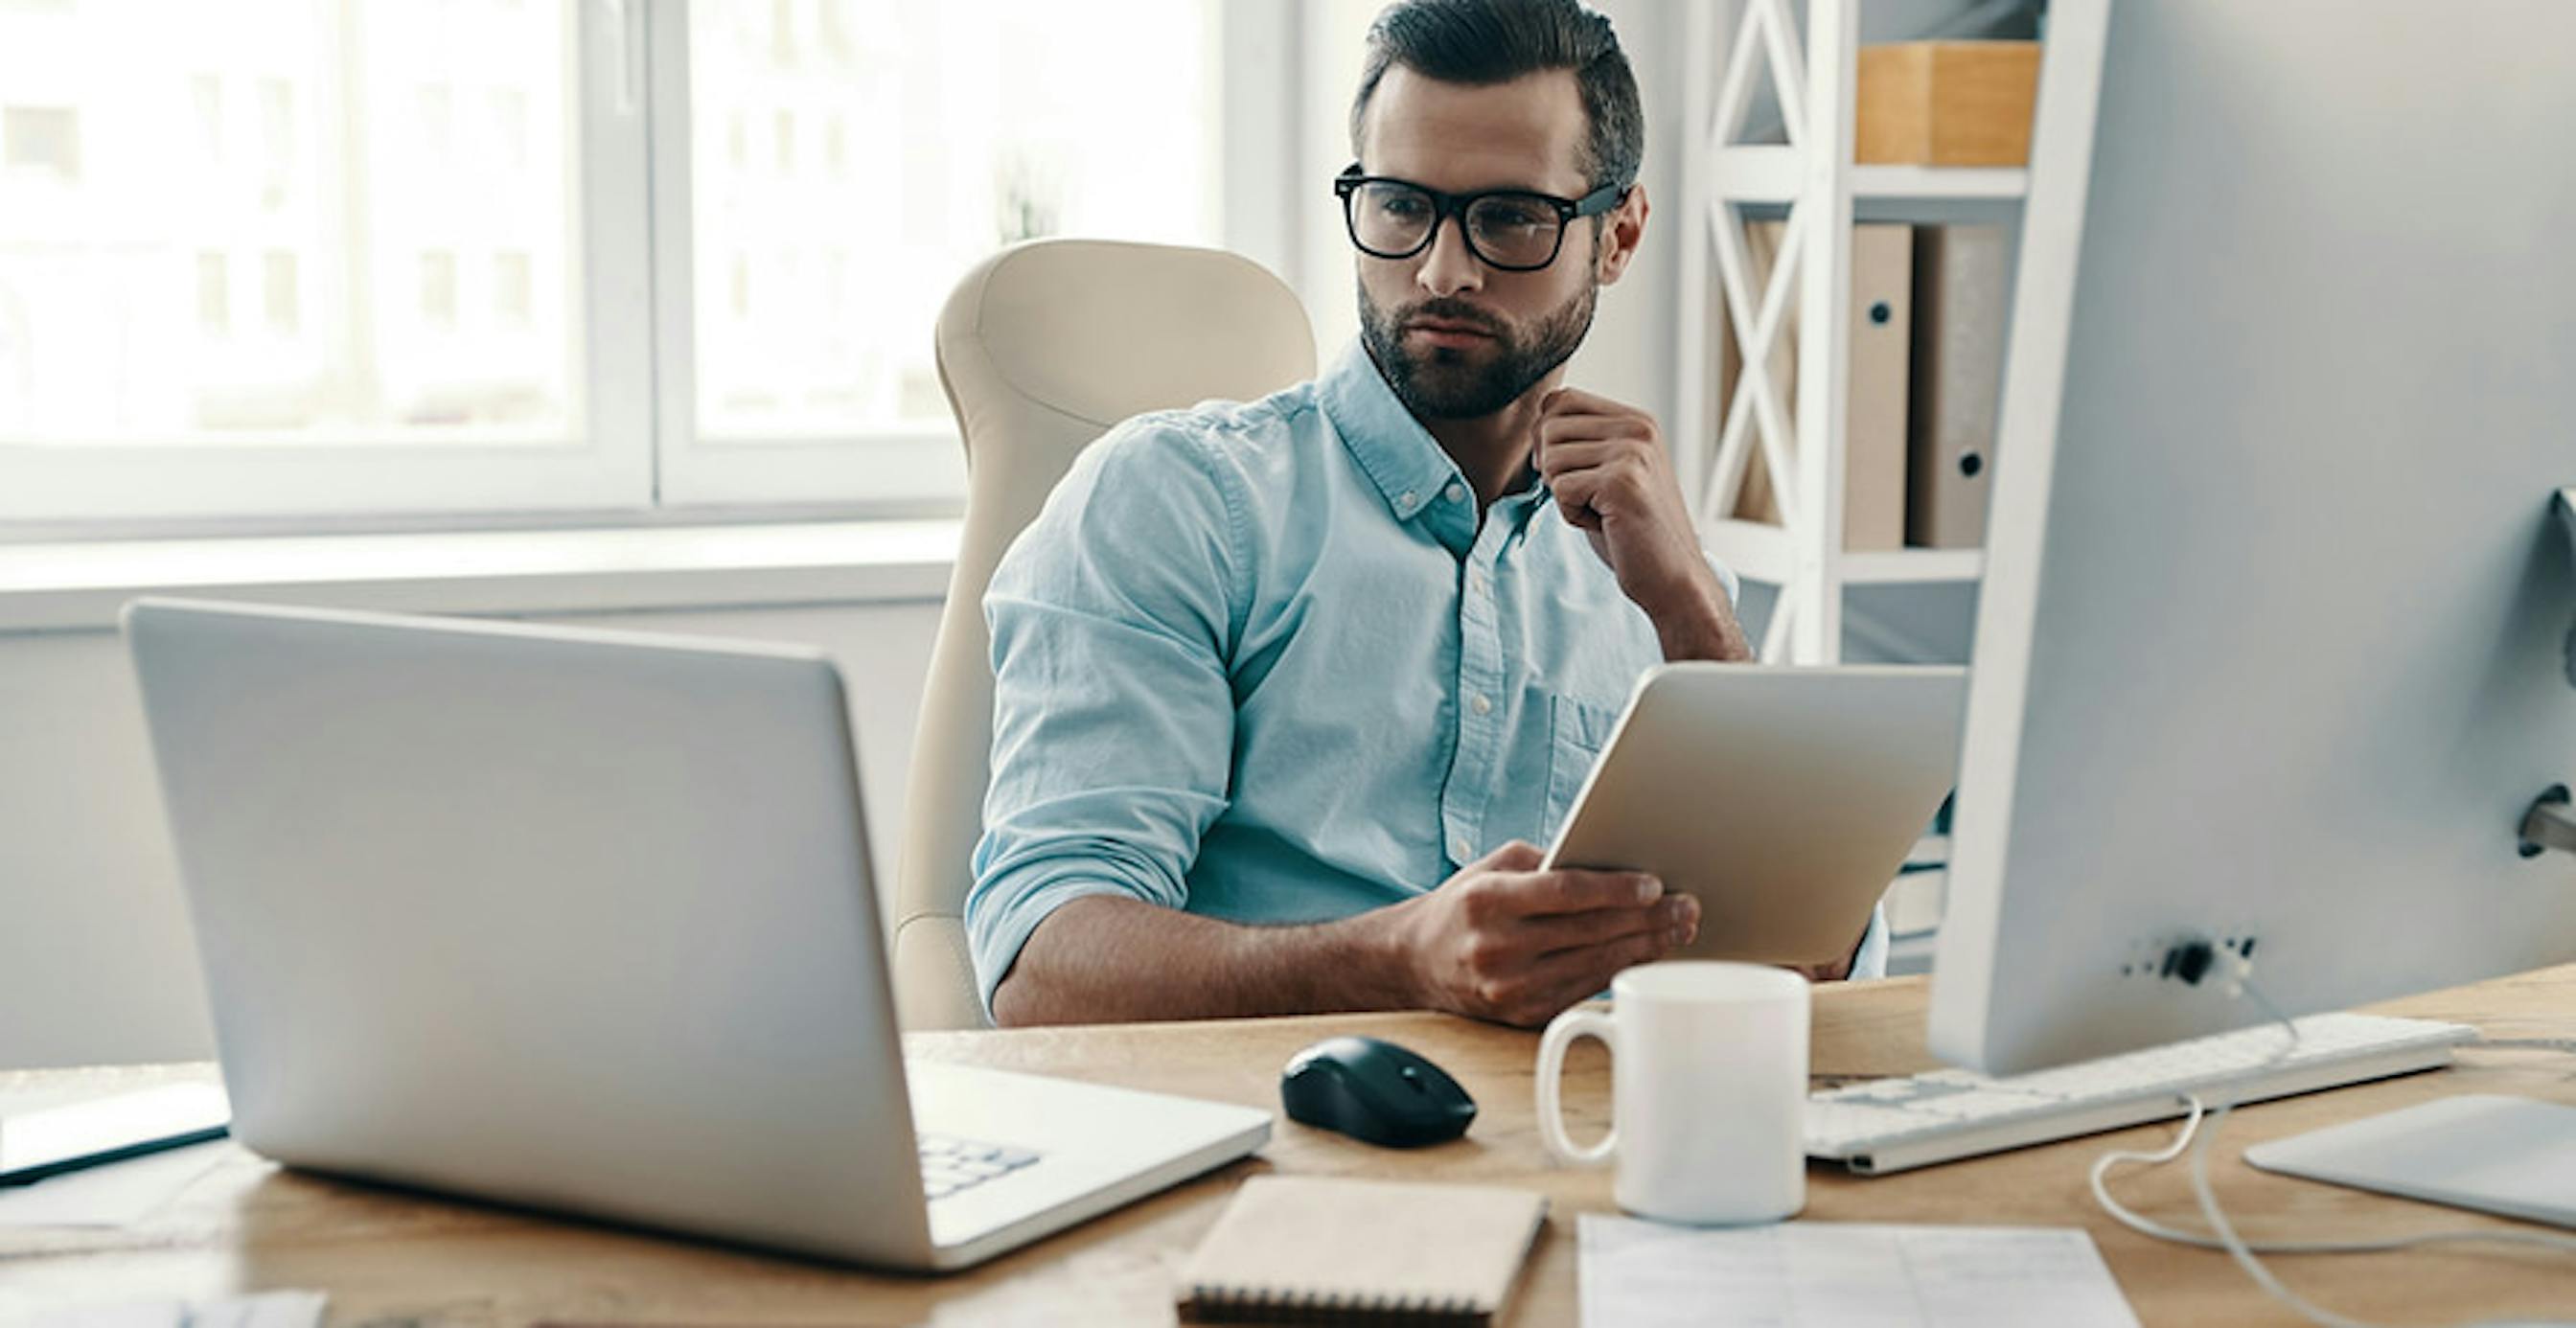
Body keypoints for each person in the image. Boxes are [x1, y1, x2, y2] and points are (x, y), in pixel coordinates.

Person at [968, 0, 1883, 1029]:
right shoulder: (1178, 501)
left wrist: (1693, 615)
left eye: (1508, 218)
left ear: (1618, 235)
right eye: (1401, 205)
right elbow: (1041, 964)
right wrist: (1402, 961)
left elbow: (1825, 958)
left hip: (1566, 1138)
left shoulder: (1646, 568)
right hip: (1265, 1152)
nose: (1443, 270)